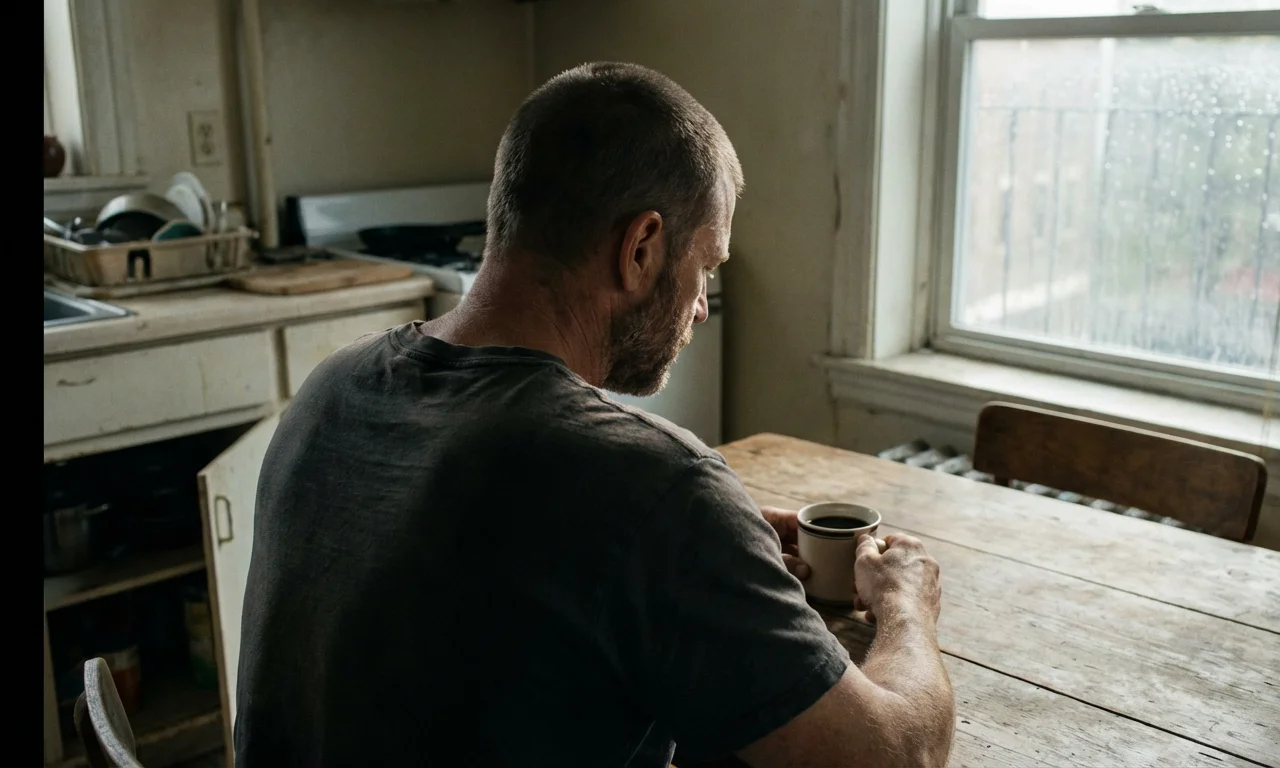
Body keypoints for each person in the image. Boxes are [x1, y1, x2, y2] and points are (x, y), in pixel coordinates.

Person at [234, 61, 955, 768]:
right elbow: (898, 756)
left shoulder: (333, 385)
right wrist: (905, 605)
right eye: (704, 267)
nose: (702, 305)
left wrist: (706, 551)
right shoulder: (654, 488)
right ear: (640, 249)